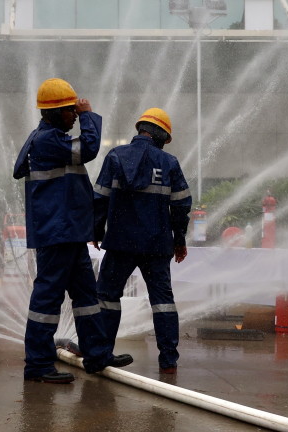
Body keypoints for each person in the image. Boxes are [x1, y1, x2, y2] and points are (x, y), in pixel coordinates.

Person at [12, 78, 133, 384]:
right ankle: (38, 364)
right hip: (57, 232)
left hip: (70, 231)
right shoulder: (46, 140)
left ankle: (97, 355)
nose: (75, 115)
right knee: (47, 300)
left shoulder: (51, 138)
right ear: (53, 113)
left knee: (86, 297)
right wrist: (90, 113)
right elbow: (89, 149)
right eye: (69, 111)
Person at [92, 108, 192, 375]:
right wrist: (179, 239)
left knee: (107, 297)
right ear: (160, 135)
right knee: (163, 302)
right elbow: (181, 205)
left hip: (120, 243)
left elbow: (99, 198)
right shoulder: (169, 163)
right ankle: (168, 361)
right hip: (157, 246)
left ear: (140, 129)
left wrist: (96, 231)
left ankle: (102, 352)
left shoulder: (115, 156)